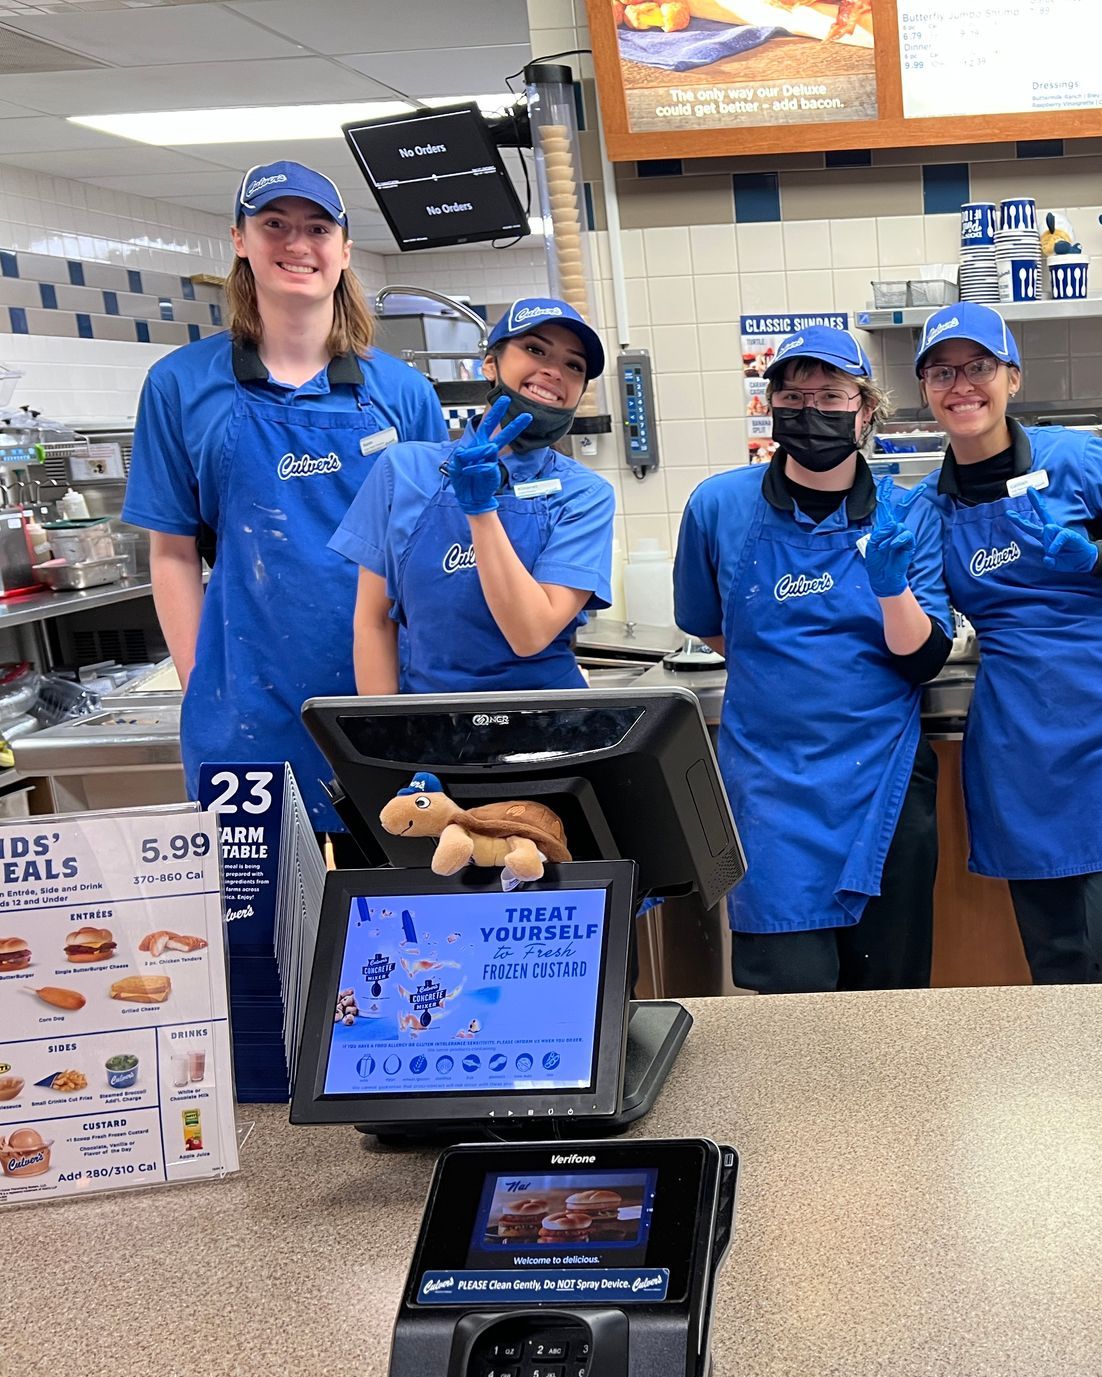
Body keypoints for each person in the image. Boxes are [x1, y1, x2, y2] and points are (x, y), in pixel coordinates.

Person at [123, 160, 446, 835]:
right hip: (248, 717)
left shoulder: (403, 394)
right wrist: (201, 687)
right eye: (275, 225)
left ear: (344, 248)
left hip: (385, 704)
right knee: (264, 936)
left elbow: (434, 555)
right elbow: (173, 553)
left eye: (317, 228)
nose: (298, 245)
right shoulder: (181, 385)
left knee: (397, 929)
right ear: (240, 238)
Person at [914, 302, 1102, 984]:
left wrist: (1092, 557)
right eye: (941, 373)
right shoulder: (927, 506)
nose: (962, 386)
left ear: (1011, 376)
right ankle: (1077, 1093)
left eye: (979, 367)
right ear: (926, 392)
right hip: (1021, 737)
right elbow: (922, 628)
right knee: (1058, 957)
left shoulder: (1077, 459)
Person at [673, 326, 950, 994]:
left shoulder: (908, 514)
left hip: (880, 777)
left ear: (866, 411)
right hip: (770, 791)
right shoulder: (717, 507)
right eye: (793, 395)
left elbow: (927, 659)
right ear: (770, 406)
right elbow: (709, 626)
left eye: (831, 395)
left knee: (888, 1004)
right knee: (789, 1005)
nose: (811, 409)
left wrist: (891, 589)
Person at [330, 298, 616, 694]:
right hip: (430, 726)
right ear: (490, 365)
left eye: (574, 366)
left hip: (550, 725)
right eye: (535, 349)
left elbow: (529, 634)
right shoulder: (403, 471)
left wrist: (481, 511)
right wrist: (385, 741)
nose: (554, 371)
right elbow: (374, 622)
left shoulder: (585, 495)